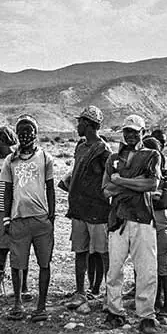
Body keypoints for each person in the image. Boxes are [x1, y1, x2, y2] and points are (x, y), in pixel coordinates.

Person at [103, 114, 161, 334]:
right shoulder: (113, 158)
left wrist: (120, 181)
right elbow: (106, 190)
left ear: (143, 133)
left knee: (146, 269)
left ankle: (146, 315)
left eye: (135, 132)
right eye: (127, 131)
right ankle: (114, 311)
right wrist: (134, 183)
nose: (130, 135)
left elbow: (152, 183)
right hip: (118, 218)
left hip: (142, 217)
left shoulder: (151, 155)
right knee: (115, 268)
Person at [0, 114, 56, 322]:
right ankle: (17, 304)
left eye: (28, 131)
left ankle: (41, 307)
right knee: (17, 264)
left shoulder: (45, 158)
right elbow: (8, 191)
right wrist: (6, 219)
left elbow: (50, 188)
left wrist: (51, 216)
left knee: (44, 263)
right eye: (21, 132)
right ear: (16, 134)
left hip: (41, 219)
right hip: (18, 219)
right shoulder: (10, 160)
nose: (24, 135)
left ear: (35, 134)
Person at [60, 105, 111, 308]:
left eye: (80, 122)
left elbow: (109, 178)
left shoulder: (103, 150)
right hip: (79, 209)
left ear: (88, 124)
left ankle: (110, 294)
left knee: (103, 253)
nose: (77, 126)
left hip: (97, 211)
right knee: (80, 252)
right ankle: (80, 292)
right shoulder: (80, 147)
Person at [0, 125, 25, 299]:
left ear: (4, 141)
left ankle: (22, 288)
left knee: (18, 250)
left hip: (13, 212)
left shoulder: (16, 159)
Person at [149, 128, 167, 320]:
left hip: (159, 221)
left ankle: (166, 303)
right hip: (147, 221)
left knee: (162, 265)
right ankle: (154, 300)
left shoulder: (165, 172)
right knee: (146, 264)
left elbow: (164, 201)